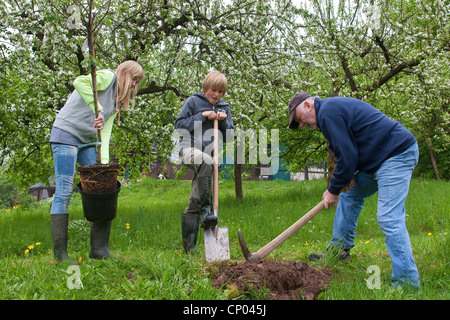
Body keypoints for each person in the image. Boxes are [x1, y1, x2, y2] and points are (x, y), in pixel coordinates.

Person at [288, 92, 420, 289]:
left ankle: (407, 283)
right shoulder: (329, 114)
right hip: (376, 161)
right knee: (349, 195)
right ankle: (340, 250)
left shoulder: (328, 112)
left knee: (389, 218)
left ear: (308, 105)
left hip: (396, 155)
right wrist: (346, 178)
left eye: (299, 119)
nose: (301, 125)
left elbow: (348, 156)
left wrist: (332, 190)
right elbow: (351, 148)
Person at [50, 60, 144, 263]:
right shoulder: (108, 77)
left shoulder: (117, 101)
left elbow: (106, 133)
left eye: (138, 82)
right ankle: (60, 255)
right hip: (66, 133)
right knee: (64, 190)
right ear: (126, 74)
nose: (135, 85)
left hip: (88, 141)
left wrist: (104, 166)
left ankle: (99, 251)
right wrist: (98, 108)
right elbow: (80, 82)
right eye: (134, 79)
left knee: (103, 189)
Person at [175, 71, 234, 254]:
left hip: (210, 158)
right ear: (205, 87)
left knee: (196, 198)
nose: (216, 95)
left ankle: (189, 247)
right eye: (213, 90)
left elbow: (230, 137)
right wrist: (203, 115)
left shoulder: (224, 107)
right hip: (188, 149)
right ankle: (207, 210)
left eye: (220, 92)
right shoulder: (193, 101)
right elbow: (179, 126)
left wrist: (223, 122)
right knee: (205, 160)